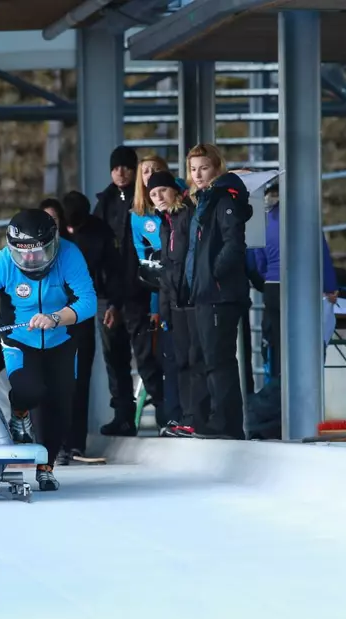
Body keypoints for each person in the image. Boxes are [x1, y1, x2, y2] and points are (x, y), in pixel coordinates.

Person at [0, 208, 97, 491]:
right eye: (23, 254)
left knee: (60, 405)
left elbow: (88, 301)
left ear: (53, 244)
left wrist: (56, 317)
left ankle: (46, 468)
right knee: (30, 389)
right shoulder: (1, 263)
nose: (31, 260)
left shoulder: (69, 255)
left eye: (38, 252)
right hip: (19, 339)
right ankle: (19, 411)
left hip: (61, 337)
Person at [42, 194, 122, 463]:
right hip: (47, 324)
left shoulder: (74, 249)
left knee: (77, 380)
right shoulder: (32, 252)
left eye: (55, 219)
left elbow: (94, 284)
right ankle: (51, 441)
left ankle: (74, 442)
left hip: (77, 320)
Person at [184, 144, 253, 439]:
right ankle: (208, 421)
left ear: (216, 168)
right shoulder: (203, 200)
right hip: (205, 294)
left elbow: (234, 244)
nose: (198, 175)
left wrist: (212, 274)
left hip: (218, 295)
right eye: (193, 169)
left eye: (204, 168)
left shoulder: (223, 199)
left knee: (219, 362)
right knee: (204, 360)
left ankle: (226, 425)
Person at [93, 145, 160, 436]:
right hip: (108, 295)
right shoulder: (103, 203)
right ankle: (122, 415)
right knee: (114, 358)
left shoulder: (144, 200)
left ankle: (165, 414)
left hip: (138, 293)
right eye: (115, 167)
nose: (120, 172)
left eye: (126, 167)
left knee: (146, 356)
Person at [254, 181, 338, 378]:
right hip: (299, 288)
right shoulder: (306, 219)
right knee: (303, 340)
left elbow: (258, 261)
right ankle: (302, 385)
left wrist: (269, 276)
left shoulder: (263, 221)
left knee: (278, 341)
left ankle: (279, 387)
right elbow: (321, 255)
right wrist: (330, 286)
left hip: (272, 288)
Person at [146, 170, 208, 438]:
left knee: (196, 361)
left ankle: (199, 418)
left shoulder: (187, 215)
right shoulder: (165, 222)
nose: (158, 197)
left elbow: (189, 260)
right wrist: (164, 309)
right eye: (153, 194)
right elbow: (166, 268)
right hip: (175, 302)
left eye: (162, 191)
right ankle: (186, 418)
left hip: (192, 299)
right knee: (181, 361)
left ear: (174, 190)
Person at [130, 154, 187, 432]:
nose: (150, 175)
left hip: (185, 289)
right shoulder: (138, 216)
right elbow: (147, 265)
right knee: (164, 357)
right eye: (145, 171)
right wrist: (155, 306)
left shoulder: (182, 208)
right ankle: (170, 415)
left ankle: (186, 415)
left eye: (155, 170)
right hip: (162, 292)